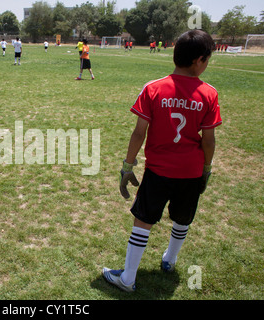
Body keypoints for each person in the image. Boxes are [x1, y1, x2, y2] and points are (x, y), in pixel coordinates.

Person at [102, 29, 222, 292]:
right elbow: (209, 140)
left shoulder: (154, 88)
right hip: (191, 172)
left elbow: (138, 133)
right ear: (199, 60)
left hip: (158, 171)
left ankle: (128, 278)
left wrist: (127, 166)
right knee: (182, 218)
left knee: (143, 220)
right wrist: (206, 169)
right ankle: (170, 259)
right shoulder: (209, 94)